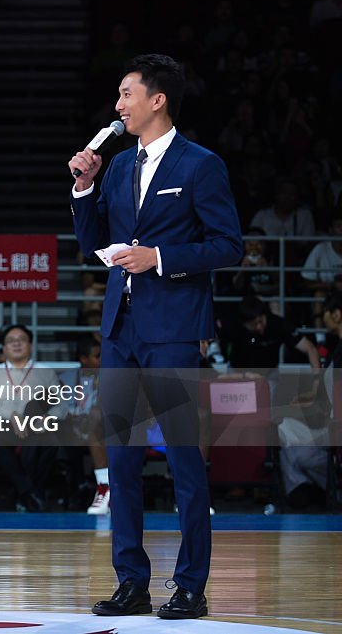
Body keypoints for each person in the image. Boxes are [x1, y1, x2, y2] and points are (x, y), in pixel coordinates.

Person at [69, 54, 243, 619]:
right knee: (120, 459)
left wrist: (161, 257)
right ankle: (132, 582)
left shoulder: (201, 165)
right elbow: (93, 238)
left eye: (126, 94)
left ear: (157, 99)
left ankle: (191, 585)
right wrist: (85, 187)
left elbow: (227, 246)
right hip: (120, 328)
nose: (117, 106)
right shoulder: (117, 167)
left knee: (184, 462)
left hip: (173, 331)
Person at [0, 324, 64, 512]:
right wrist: (12, 416)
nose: (16, 344)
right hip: (6, 426)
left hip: (38, 426)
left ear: (31, 345)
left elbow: (60, 405)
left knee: (51, 441)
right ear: (4, 348)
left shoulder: (45, 372)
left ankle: (26, 494)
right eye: (11, 341)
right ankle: (30, 492)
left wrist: (47, 419)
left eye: (21, 340)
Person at [58, 335, 108, 514]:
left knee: (95, 422)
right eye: (97, 355)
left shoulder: (109, 377)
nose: (103, 359)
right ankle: (80, 487)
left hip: (99, 428)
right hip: (71, 428)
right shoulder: (66, 379)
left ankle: (104, 488)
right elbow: (59, 408)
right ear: (83, 359)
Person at [221, 295, 321, 371]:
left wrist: (317, 382)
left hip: (269, 374)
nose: (259, 327)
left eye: (261, 321)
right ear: (244, 323)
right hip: (239, 371)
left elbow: (310, 349)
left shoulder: (277, 324)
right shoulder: (234, 327)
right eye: (254, 324)